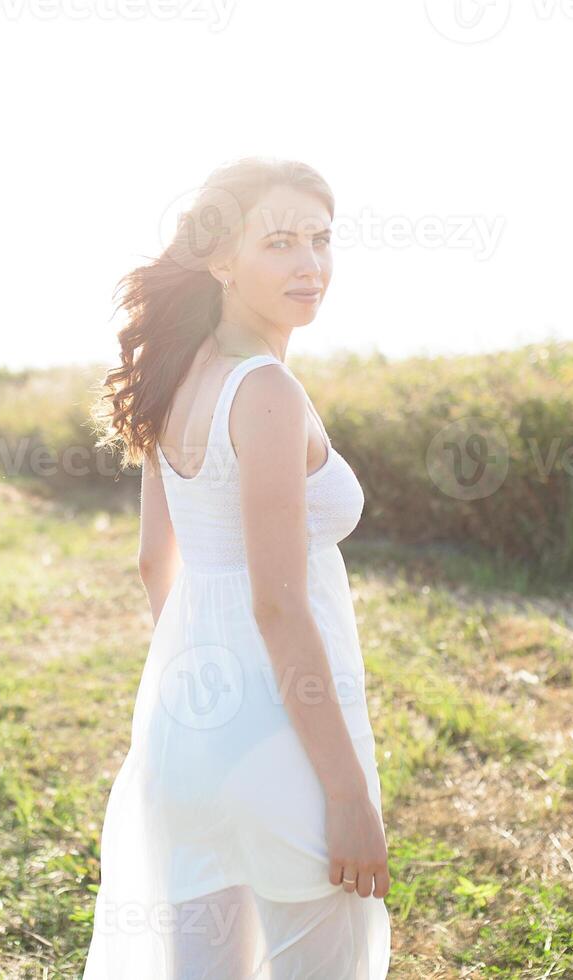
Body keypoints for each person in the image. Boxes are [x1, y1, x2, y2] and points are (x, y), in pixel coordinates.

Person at [83, 156, 391, 978]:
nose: (309, 265)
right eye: (280, 242)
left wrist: (202, 687)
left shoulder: (175, 381)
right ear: (222, 260)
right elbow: (279, 606)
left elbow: (156, 563)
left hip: (189, 734)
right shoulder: (265, 392)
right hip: (284, 749)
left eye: (321, 240)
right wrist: (350, 794)